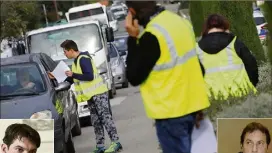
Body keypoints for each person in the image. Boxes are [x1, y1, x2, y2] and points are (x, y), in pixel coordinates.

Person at [124, 1, 210, 153]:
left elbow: (133, 76)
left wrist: (132, 38)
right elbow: (199, 68)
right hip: (194, 109)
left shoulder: (151, 36)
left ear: (132, 11)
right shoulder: (179, 21)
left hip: (171, 116)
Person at [48, 40, 122, 153]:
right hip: (91, 96)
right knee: (96, 122)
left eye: (65, 51)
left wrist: (73, 74)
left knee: (106, 119)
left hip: (98, 94)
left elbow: (89, 76)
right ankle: (100, 146)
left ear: (71, 50)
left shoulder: (84, 59)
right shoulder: (76, 62)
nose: (64, 54)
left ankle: (116, 142)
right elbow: (73, 78)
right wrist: (56, 78)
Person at [197, 14, 258, 100]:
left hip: (214, 100)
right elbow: (252, 65)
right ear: (224, 26)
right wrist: (252, 85)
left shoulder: (197, 48)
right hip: (242, 96)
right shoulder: (234, 42)